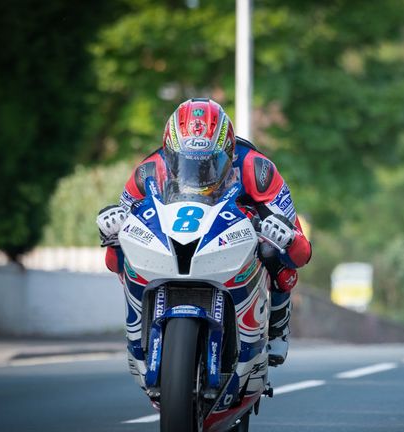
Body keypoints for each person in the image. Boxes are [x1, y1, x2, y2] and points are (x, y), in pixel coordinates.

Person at [95, 98, 311, 392]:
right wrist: (112, 235)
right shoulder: (148, 171)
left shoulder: (258, 170)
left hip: (237, 231)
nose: (198, 175)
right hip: (178, 233)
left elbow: (302, 252)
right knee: (123, 245)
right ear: (170, 153)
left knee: (276, 250)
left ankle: (276, 328)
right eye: (185, 163)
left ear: (229, 152)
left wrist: (284, 235)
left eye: (209, 163)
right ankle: (139, 335)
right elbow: (113, 259)